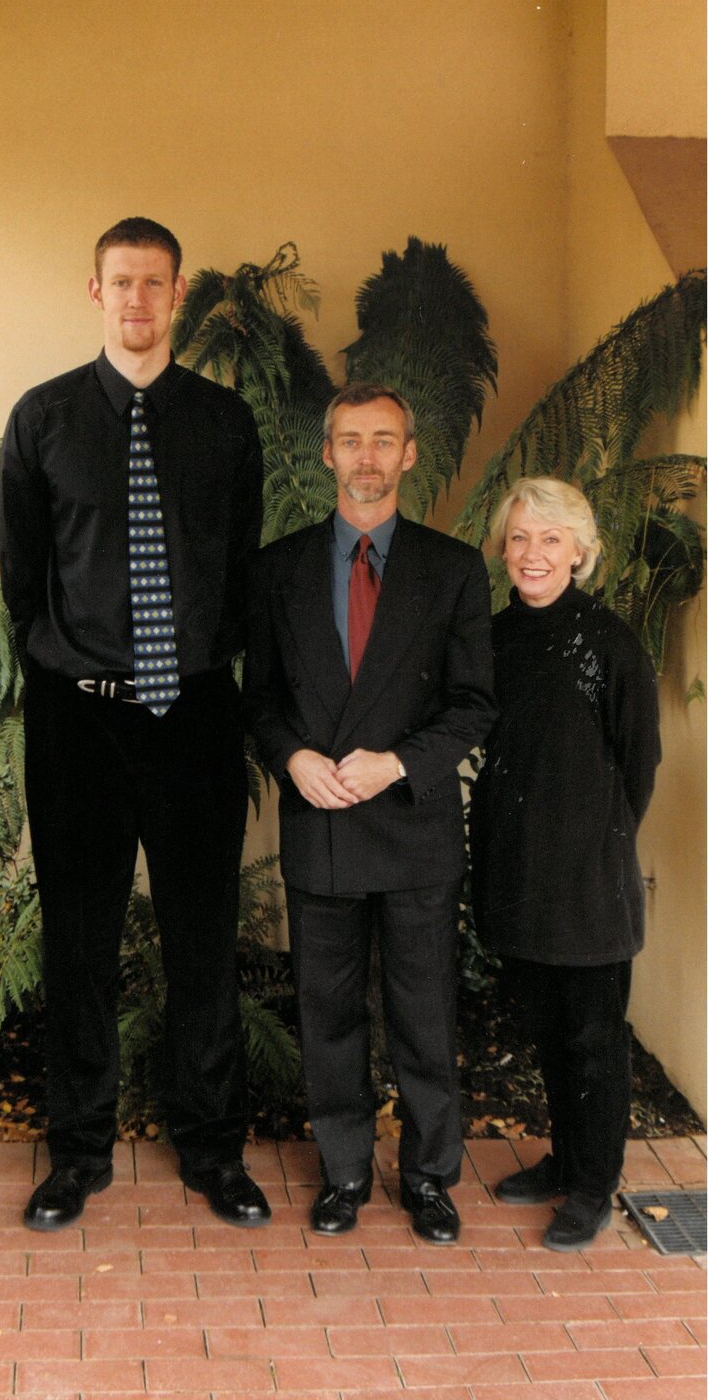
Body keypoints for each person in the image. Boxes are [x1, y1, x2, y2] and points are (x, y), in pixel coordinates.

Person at [0, 217, 269, 1230]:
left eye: (155, 284)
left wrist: (201, 662)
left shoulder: (224, 423)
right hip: (81, 726)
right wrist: (67, 665)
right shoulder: (44, 420)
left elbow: (240, 568)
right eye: (122, 283)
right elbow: (23, 579)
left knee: (204, 940)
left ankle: (212, 1150)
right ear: (95, 290)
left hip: (193, 712)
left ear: (179, 291)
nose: (139, 302)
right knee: (80, 943)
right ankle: (77, 1152)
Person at [244, 383, 495, 1240]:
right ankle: (345, 1172)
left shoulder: (453, 568)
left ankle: (427, 1177)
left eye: (383, 440)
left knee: (423, 1013)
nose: (366, 457)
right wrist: (292, 757)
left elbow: (471, 704)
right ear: (327, 453)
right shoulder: (277, 569)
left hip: (415, 828)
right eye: (350, 440)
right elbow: (259, 701)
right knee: (329, 1012)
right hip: (321, 828)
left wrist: (396, 762)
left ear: (408, 454)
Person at [469, 477, 660, 1251]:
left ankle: (592, 1185)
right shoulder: (488, 637)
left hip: (587, 877)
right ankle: (563, 1160)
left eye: (550, 539)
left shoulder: (609, 642)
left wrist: (592, 837)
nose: (533, 554)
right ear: (502, 549)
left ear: (580, 552)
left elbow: (636, 764)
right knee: (548, 1029)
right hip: (517, 869)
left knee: (591, 1036)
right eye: (519, 538)